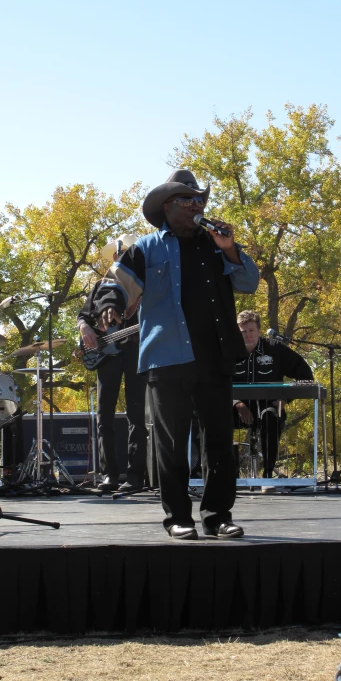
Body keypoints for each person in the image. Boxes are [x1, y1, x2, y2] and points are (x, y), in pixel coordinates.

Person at [91, 169, 260, 539]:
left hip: (215, 357)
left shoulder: (218, 245)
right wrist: (110, 305)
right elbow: (115, 284)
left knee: (218, 442)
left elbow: (248, 282)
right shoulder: (147, 248)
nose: (197, 206)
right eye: (188, 200)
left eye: (201, 199)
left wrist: (231, 248)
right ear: (168, 207)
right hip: (167, 361)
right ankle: (178, 518)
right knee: (170, 444)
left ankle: (217, 516)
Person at [77, 234, 148, 492]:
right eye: (121, 255)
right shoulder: (100, 286)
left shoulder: (146, 288)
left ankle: (135, 476)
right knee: (103, 415)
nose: (123, 259)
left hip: (136, 354)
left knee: (136, 414)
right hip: (106, 356)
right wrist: (85, 328)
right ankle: (109, 475)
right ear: (116, 257)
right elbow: (83, 315)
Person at [233, 310, 313, 481]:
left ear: (259, 331)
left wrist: (284, 399)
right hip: (237, 408)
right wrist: (238, 404)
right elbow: (217, 383)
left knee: (271, 417)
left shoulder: (275, 350)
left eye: (252, 331)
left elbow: (305, 375)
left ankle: (268, 475)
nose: (248, 335)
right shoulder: (228, 352)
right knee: (211, 417)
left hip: (268, 406)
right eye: (243, 332)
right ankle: (223, 475)